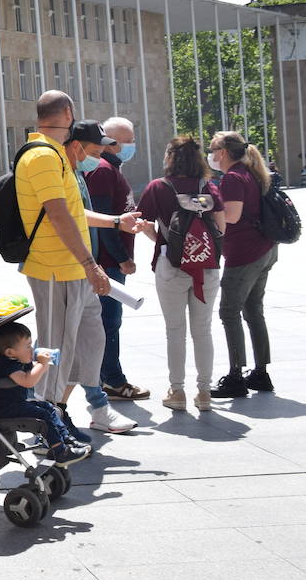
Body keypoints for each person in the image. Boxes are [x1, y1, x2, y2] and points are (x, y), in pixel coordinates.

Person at [14, 92, 143, 440]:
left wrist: (117, 222)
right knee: (55, 349)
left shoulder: (55, 155)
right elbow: (58, 215)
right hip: (56, 268)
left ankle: (90, 408)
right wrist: (91, 264)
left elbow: (72, 212)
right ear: (68, 114)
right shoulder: (42, 156)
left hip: (73, 269)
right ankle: (46, 427)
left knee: (89, 339)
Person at [136, 136, 224, 411]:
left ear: (170, 158)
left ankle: (177, 391)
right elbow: (221, 227)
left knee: (175, 331)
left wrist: (165, 240)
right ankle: (205, 392)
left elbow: (142, 222)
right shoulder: (209, 186)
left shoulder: (158, 187)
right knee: (203, 330)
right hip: (206, 267)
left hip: (170, 265)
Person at [208, 131, 279, 397]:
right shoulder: (250, 173)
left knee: (229, 312)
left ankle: (236, 376)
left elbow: (232, 216)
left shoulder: (233, 178)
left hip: (245, 254)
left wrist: (206, 208)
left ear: (223, 153)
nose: (211, 155)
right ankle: (260, 373)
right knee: (253, 311)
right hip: (263, 249)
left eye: (213, 149)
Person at [87, 116, 150, 402]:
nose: (131, 145)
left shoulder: (111, 169)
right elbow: (105, 221)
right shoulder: (102, 170)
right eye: (128, 140)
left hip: (110, 261)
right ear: (111, 144)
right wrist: (123, 258)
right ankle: (112, 380)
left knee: (107, 322)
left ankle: (104, 378)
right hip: (108, 262)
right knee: (109, 322)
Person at [0, 323, 90, 466]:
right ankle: (60, 451)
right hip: (5, 410)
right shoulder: (6, 365)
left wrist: (37, 362)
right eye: (27, 346)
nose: (32, 349)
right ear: (10, 352)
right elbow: (28, 381)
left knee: (48, 408)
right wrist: (42, 364)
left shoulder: (16, 360)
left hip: (15, 404)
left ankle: (66, 439)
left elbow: (30, 376)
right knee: (44, 415)